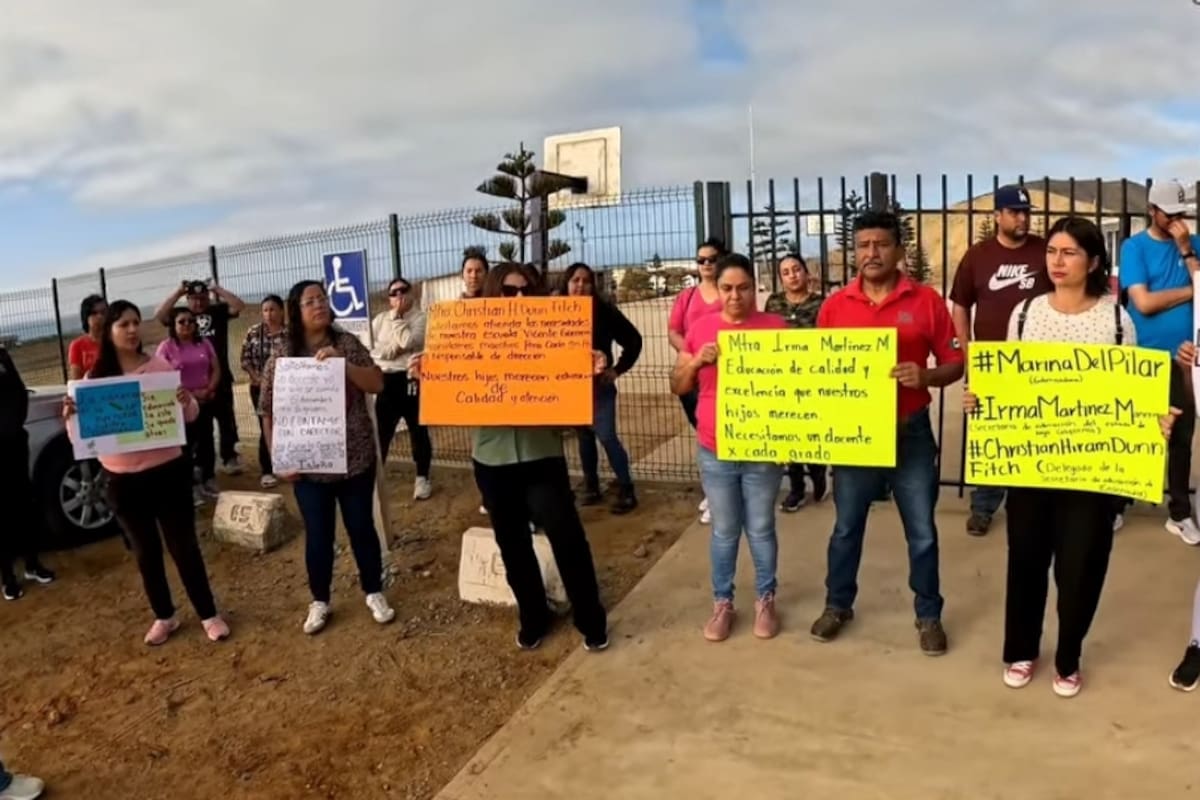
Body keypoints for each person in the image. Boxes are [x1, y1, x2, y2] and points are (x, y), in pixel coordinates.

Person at [965, 216, 1179, 697]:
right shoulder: (1024, 313)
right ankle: (1021, 649)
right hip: (1030, 464)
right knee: (1025, 559)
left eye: (1069, 253)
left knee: (1082, 564)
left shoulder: (1115, 319)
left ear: (1094, 261)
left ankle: (1069, 656)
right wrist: (982, 401)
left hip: (1092, 468)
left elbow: (1130, 393)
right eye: (1052, 252)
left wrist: (1154, 421)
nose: (1057, 262)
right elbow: (1008, 384)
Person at [412, 263, 610, 652]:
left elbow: (574, 404)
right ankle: (533, 616)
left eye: (524, 291)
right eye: (508, 291)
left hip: (542, 455)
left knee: (568, 538)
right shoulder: (466, 334)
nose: (517, 298)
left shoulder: (553, 335)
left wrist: (591, 367)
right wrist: (427, 372)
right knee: (512, 543)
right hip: (492, 459)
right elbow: (448, 393)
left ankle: (591, 618)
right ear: (491, 294)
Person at [810, 210, 965, 655]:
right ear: (854, 252)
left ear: (899, 250)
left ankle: (929, 614)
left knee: (922, 531)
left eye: (881, 244)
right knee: (845, 529)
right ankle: (838, 604)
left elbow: (956, 363)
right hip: (856, 438)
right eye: (863, 245)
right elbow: (818, 374)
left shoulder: (926, 302)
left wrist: (927, 377)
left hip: (910, 433)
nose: (871, 253)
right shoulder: (835, 307)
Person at [64, 300, 229, 645]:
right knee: (145, 552)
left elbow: (190, 417)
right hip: (122, 481)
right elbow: (84, 437)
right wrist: (72, 417)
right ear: (109, 331)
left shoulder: (158, 367)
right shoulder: (95, 380)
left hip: (167, 473)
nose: (132, 329)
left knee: (184, 548)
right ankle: (164, 616)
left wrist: (186, 402)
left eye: (136, 322)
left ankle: (208, 613)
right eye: (123, 324)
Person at [260, 280, 394, 635]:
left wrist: (343, 366)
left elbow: (377, 383)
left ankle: (374, 591)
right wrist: (278, 456)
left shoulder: (347, 343)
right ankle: (320, 600)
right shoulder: (282, 356)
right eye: (310, 301)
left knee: (362, 528)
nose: (319, 305)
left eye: (322, 298)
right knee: (318, 535)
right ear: (296, 311)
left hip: (354, 461)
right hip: (307, 469)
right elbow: (267, 410)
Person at [671, 253, 788, 642]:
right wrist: (695, 363)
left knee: (760, 527)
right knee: (724, 531)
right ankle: (723, 603)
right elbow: (678, 385)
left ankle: (765, 599)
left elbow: (796, 391)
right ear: (716, 290)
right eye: (727, 288)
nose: (735, 296)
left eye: (743, 288)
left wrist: (792, 437)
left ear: (756, 288)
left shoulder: (776, 327)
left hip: (763, 450)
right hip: (715, 448)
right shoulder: (701, 328)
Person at [950, 184, 1051, 536]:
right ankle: (984, 507)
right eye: (1014, 212)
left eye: (1026, 212)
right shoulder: (978, 256)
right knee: (988, 435)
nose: (1022, 218)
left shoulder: (1044, 251)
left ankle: (1034, 505)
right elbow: (960, 304)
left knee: (1036, 433)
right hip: (991, 363)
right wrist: (968, 351)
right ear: (997, 216)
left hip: (1037, 364)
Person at [1120, 178, 1200, 545]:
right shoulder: (1134, 248)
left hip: (1184, 359)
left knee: (1182, 437)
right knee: (1137, 432)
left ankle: (1179, 512)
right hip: (1143, 358)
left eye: (1182, 214)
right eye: (1171, 213)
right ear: (1152, 210)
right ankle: (1119, 502)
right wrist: (1191, 290)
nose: (1177, 220)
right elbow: (1144, 303)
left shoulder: (1192, 246)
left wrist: (1185, 249)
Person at [563, 262, 642, 514]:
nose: (580, 285)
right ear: (566, 284)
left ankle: (626, 488)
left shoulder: (604, 311)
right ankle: (591, 486)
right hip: (571, 388)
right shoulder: (556, 311)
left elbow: (633, 340)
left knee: (606, 435)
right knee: (584, 436)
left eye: (586, 281)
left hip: (599, 388)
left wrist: (617, 369)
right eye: (575, 280)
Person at [155, 279, 247, 475]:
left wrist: (217, 289)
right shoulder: (180, 318)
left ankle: (228, 456)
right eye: (194, 299)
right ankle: (200, 465)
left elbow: (239, 306)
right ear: (188, 300)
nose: (198, 303)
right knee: (199, 428)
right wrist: (178, 291)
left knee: (226, 420)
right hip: (190, 386)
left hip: (218, 376)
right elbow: (159, 315)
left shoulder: (218, 312)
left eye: (202, 298)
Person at [668, 237, 727, 524]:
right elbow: (674, 331)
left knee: (724, 433)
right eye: (700, 260)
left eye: (711, 259)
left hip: (726, 377)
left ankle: (722, 495)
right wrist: (692, 355)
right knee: (704, 434)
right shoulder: (687, 297)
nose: (705, 264)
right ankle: (712, 491)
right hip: (694, 375)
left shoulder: (730, 293)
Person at [763, 254, 827, 511]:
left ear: (805, 272)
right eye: (786, 272)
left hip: (813, 380)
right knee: (790, 438)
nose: (792, 275)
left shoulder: (821, 304)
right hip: (783, 381)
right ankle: (797, 488)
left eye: (796, 269)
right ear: (781, 278)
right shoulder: (774, 302)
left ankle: (819, 473)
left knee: (811, 434)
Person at [0, 345, 56, 601]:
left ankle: (33, 564)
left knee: (25, 505)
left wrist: (11, 428)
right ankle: (7, 577)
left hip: (14, 444)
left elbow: (18, 394)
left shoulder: (1, 356)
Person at [368, 277, 433, 500]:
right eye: (393, 293)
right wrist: (391, 350)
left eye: (403, 291)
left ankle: (422, 477)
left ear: (411, 292)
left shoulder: (421, 317)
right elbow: (372, 349)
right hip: (386, 380)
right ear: (388, 298)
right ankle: (376, 477)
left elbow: (410, 342)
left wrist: (397, 319)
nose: (399, 296)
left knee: (418, 430)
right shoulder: (379, 320)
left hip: (410, 378)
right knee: (382, 432)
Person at [156, 306, 221, 506]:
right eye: (182, 321)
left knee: (206, 442)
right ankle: (191, 487)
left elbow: (216, 367)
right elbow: (160, 376)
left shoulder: (204, 343)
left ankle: (208, 479)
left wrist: (210, 388)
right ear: (173, 325)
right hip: (181, 405)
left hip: (205, 400)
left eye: (191, 321)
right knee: (185, 447)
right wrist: (191, 394)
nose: (187, 325)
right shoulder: (166, 348)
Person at [239, 295, 288, 488]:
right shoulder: (254, 333)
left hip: (286, 389)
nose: (269, 314)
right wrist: (258, 378)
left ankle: (290, 463)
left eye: (273, 309)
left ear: (282, 311)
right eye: (265, 310)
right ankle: (268, 470)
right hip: (259, 388)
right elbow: (245, 359)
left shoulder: (289, 334)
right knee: (265, 425)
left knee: (287, 426)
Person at [67, 294, 107, 380]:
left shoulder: (117, 341)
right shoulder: (77, 345)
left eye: (103, 312)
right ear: (86, 317)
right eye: (94, 313)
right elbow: (76, 379)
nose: (100, 316)